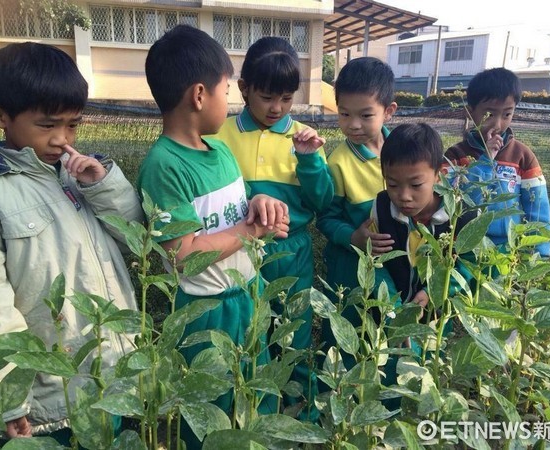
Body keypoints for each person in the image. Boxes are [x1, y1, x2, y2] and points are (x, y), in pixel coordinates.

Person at [138, 25, 289, 444]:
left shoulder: (219, 150)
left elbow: (234, 211)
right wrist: (248, 231)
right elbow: (182, 255)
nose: (231, 100)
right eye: (227, 90)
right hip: (207, 310)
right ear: (200, 95)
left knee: (251, 394)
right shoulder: (164, 166)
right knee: (209, 412)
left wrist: (256, 204)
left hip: (247, 295)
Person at [0, 42, 142, 444]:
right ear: (3, 117)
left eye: (73, 125)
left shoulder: (77, 175)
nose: (63, 139)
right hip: (52, 395)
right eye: (48, 125)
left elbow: (138, 239)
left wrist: (102, 185)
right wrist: (10, 398)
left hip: (117, 375)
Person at [213, 36, 333, 420]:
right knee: (250, 330)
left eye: (286, 98)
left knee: (295, 329)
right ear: (245, 89)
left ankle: (300, 408)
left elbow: (321, 201)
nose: (277, 108)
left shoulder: (305, 137)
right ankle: (252, 411)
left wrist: (310, 160)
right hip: (242, 248)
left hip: (291, 249)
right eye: (266, 97)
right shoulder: (221, 134)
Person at [315, 57, 397, 364]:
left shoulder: (402, 152)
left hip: (396, 270)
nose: (353, 124)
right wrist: (353, 236)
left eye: (365, 115)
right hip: (348, 271)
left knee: (389, 337)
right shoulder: (338, 163)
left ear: (389, 111)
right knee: (345, 336)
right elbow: (325, 218)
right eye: (344, 114)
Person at [443, 67, 550, 256]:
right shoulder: (455, 155)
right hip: (465, 250)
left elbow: (538, 206)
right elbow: (452, 204)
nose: (498, 124)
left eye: (507, 114)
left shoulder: (523, 156)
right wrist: (486, 161)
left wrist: (540, 252)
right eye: (490, 114)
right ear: (470, 113)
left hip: (507, 251)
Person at [372, 123, 477, 309]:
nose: (404, 196)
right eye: (393, 184)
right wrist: (392, 309)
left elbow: (467, 266)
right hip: (388, 313)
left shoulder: (461, 215)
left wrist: (432, 292)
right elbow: (376, 263)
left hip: (436, 318)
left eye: (416, 185)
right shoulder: (381, 208)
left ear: (439, 175)